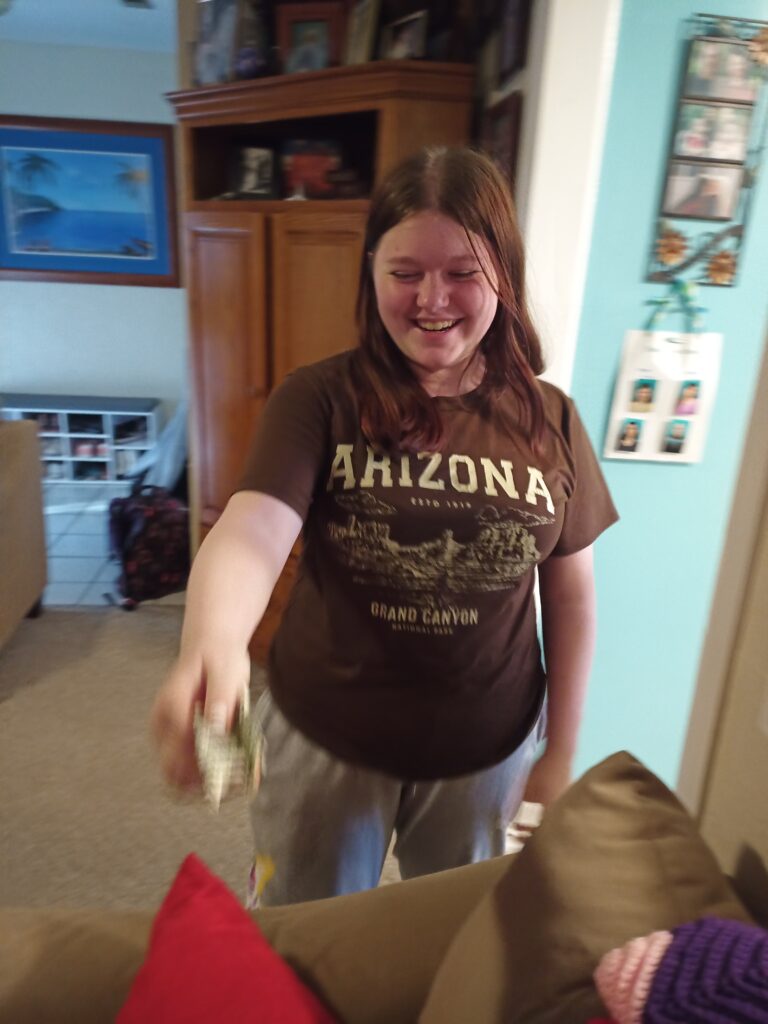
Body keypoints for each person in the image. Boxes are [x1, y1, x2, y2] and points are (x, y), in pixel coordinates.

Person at [151, 146, 618, 908]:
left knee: (447, 933)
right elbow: (253, 531)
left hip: (487, 750)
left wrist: (561, 748)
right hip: (325, 736)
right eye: (406, 272)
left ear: (503, 273)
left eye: (462, 272)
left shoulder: (553, 418)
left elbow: (570, 599)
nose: (433, 299)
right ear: (371, 271)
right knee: (306, 936)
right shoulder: (318, 398)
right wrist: (212, 643)